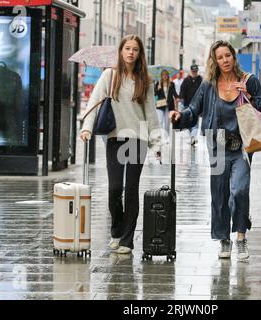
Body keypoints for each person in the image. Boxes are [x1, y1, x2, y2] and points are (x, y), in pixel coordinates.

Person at [170, 40, 261, 261]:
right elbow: (194, 109)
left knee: (240, 191)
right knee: (219, 193)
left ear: (234, 57)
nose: (225, 60)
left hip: (242, 145)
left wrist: (250, 96)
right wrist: (179, 117)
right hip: (218, 144)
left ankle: (241, 237)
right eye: (220, 57)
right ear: (215, 60)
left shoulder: (248, 80)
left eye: (228, 55)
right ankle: (224, 239)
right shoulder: (209, 85)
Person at [80, 34, 161, 254]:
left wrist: (158, 143)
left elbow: (151, 114)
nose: (131, 53)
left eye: (135, 49)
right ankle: (116, 230)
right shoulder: (109, 75)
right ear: (121, 51)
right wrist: (87, 127)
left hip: (138, 139)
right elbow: (94, 103)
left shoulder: (145, 81)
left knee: (131, 188)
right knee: (115, 188)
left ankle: (127, 240)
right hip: (115, 138)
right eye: (127, 48)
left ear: (139, 53)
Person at [180, 64, 203, 145]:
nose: (194, 73)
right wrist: (182, 101)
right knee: (188, 122)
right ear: (191, 71)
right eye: (193, 71)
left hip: (196, 105)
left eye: (196, 71)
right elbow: (182, 91)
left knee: (195, 123)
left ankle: (193, 137)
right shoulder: (186, 80)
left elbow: (203, 92)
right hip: (187, 105)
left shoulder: (201, 80)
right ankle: (191, 136)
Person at [154, 69, 178, 143]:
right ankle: (161, 136)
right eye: (163, 75)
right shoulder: (158, 83)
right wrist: (158, 89)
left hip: (168, 105)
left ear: (168, 76)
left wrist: (178, 97)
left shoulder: (171, 84)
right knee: (160, 121)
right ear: (161, 76)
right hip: (160, 105)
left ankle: (167, 137)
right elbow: (155, 94)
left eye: (166, 75)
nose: (164, 76)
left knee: (167, 122)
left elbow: (174, 93)